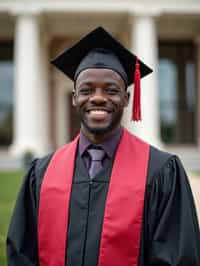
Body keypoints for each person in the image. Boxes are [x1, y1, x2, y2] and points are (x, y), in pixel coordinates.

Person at [7, 26, 200, 266]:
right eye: (87, 90)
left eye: (111, 90)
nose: (98, 97)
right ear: (75, 98)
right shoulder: (42, 173)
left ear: (127, 99)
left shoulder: (161, 172)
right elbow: (21, 255)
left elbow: (180, 258)